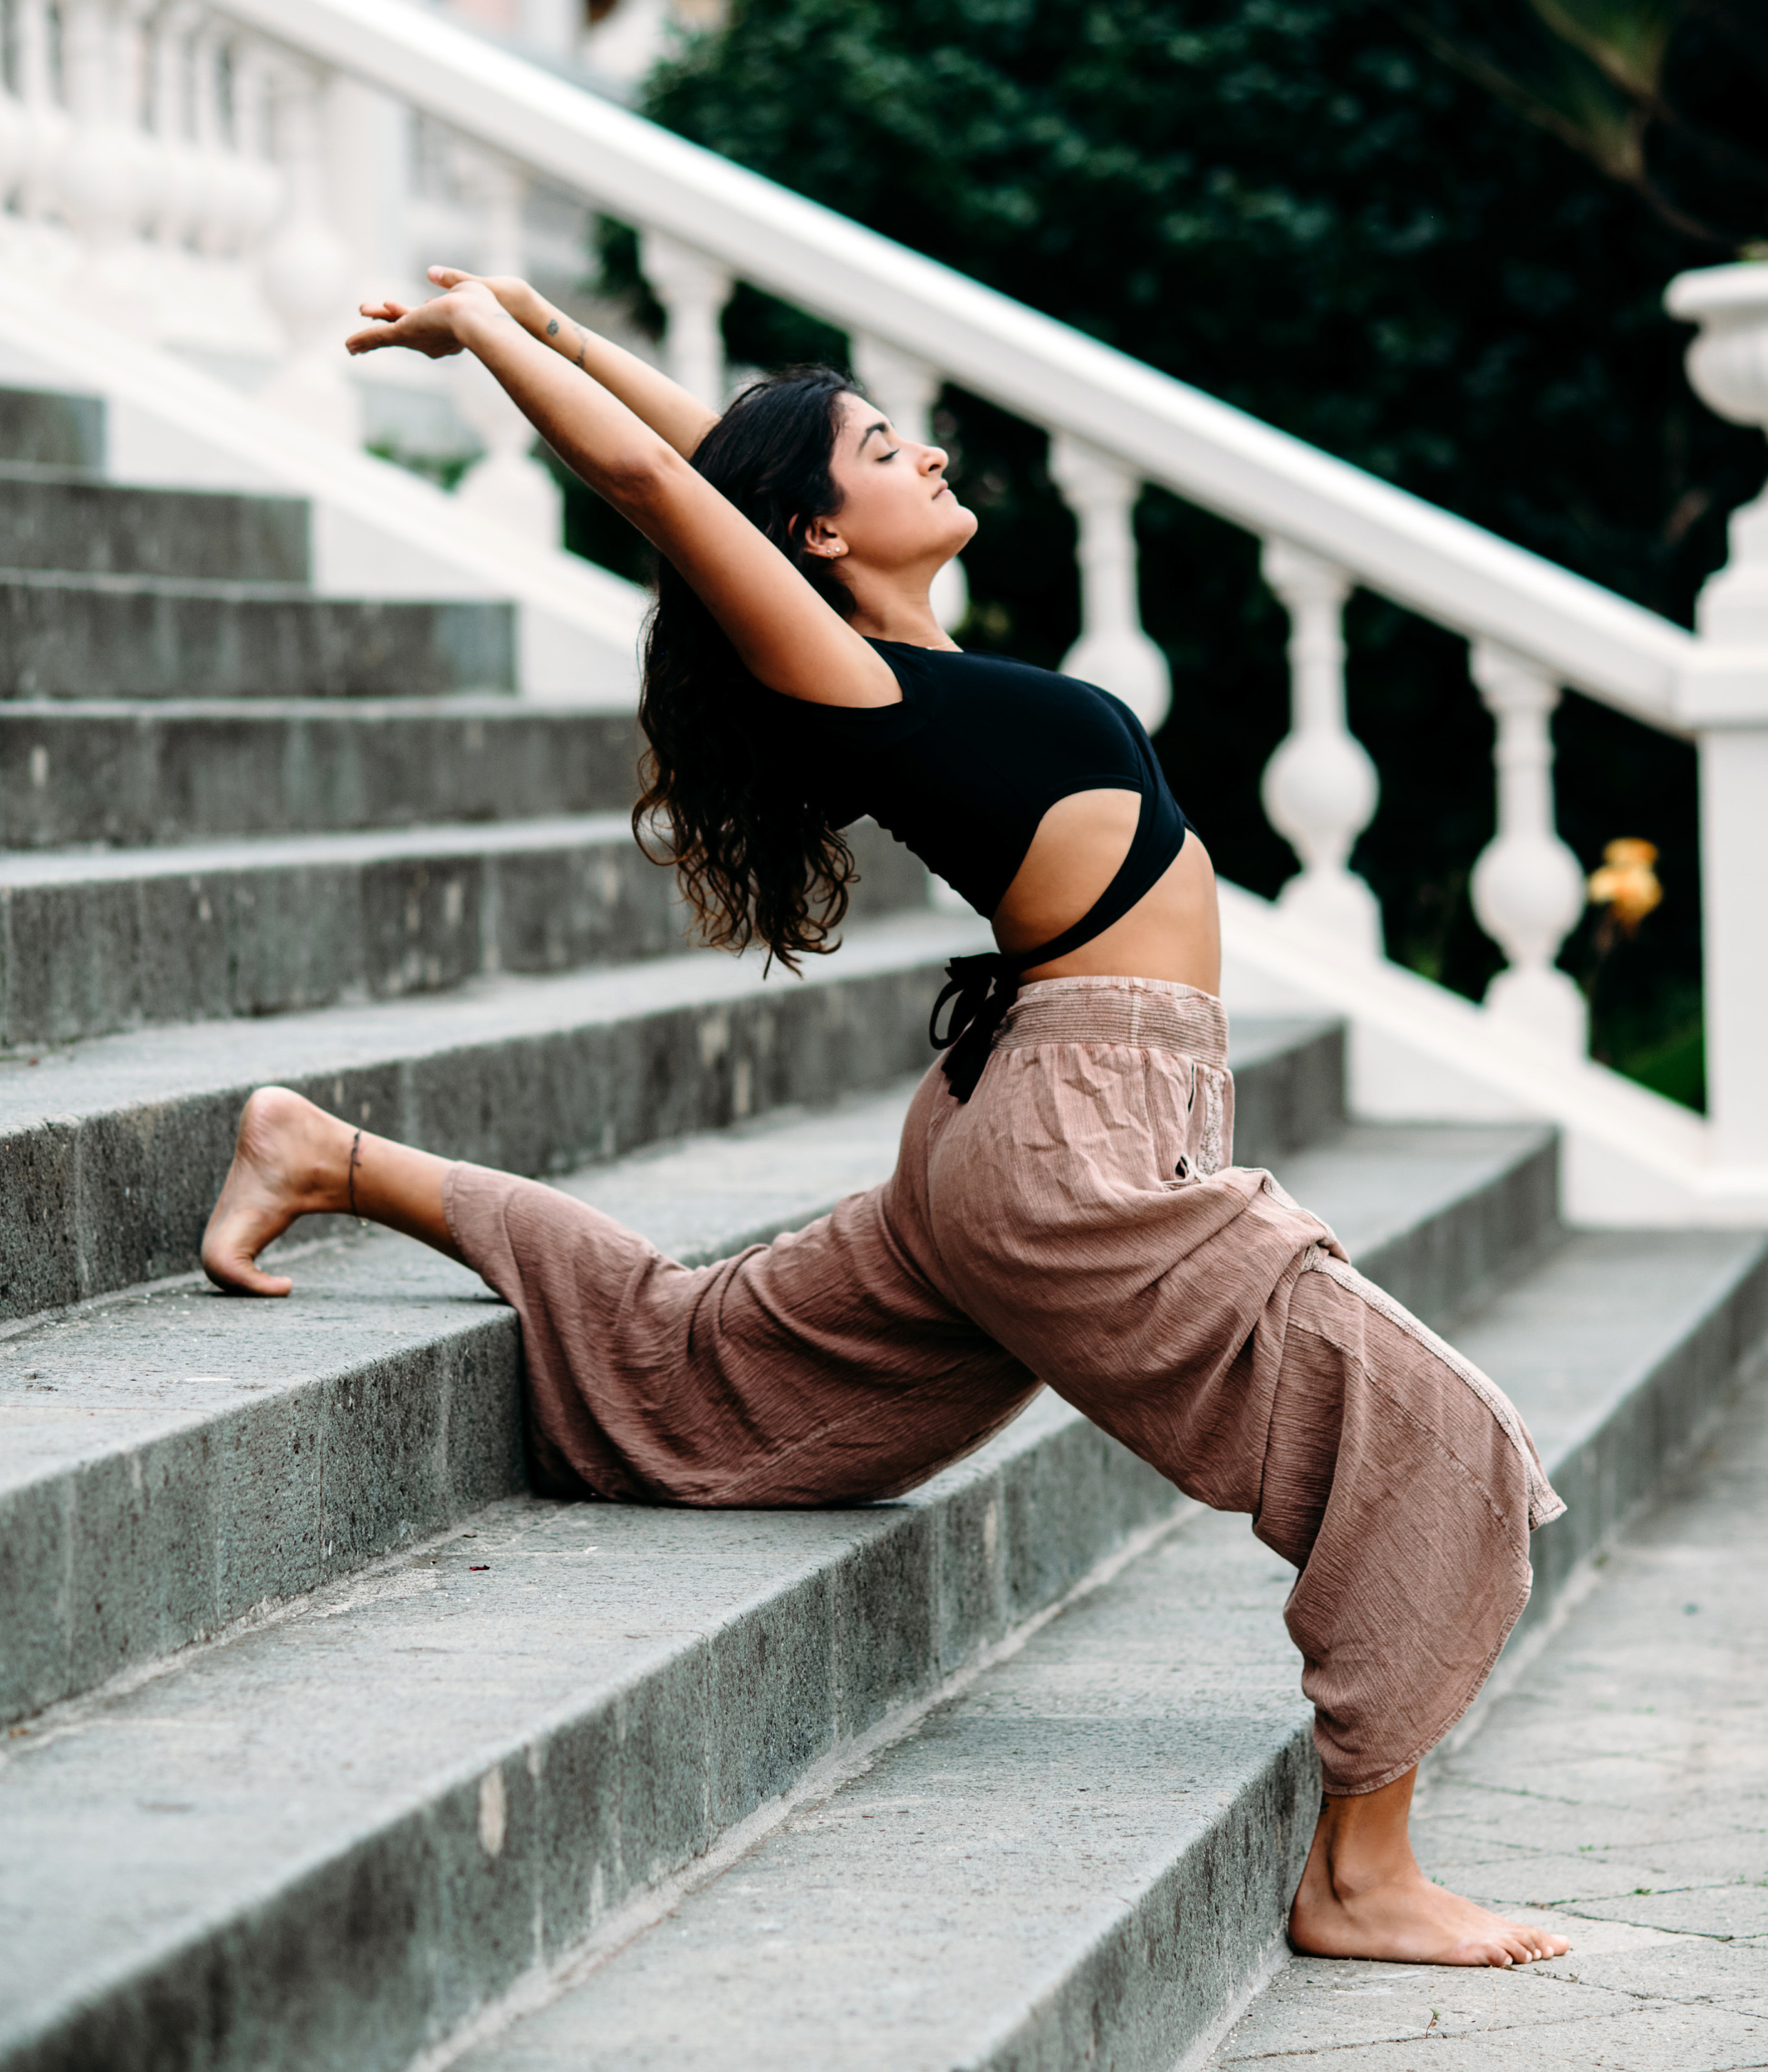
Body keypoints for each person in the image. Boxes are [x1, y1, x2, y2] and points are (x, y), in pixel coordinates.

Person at [204, 265, 1571, 1971]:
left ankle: (326, 1154)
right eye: (877, 448)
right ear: (818, 536)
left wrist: (550, 327)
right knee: (1435, 1439)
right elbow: (662, 486)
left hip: (1036, 1122)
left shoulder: (888, 653)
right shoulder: (848, 682)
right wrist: (483, 344)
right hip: (1071, 1149)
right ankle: (1361, 1875)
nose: (922, 452)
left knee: (688, 1357)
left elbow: (720, 466)